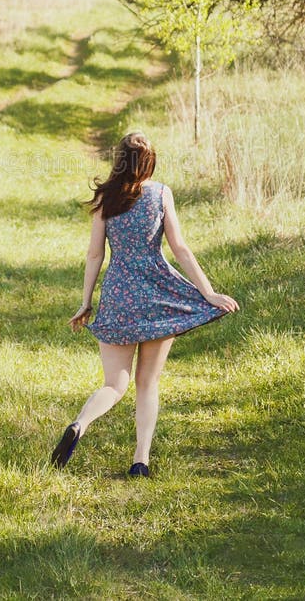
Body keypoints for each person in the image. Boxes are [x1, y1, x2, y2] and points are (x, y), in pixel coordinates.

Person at [50, 131, 239, 477]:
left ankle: (80, 424)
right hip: (157, 295)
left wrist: (85, 302)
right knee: (147, 383)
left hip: (119, 296)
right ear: (150, 163)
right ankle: (141, 461)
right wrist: (208, 293)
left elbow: (95, 255)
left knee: (113, 385)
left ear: (119, 162)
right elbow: (179, 248)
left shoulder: (106, 199)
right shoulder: (161, 194)